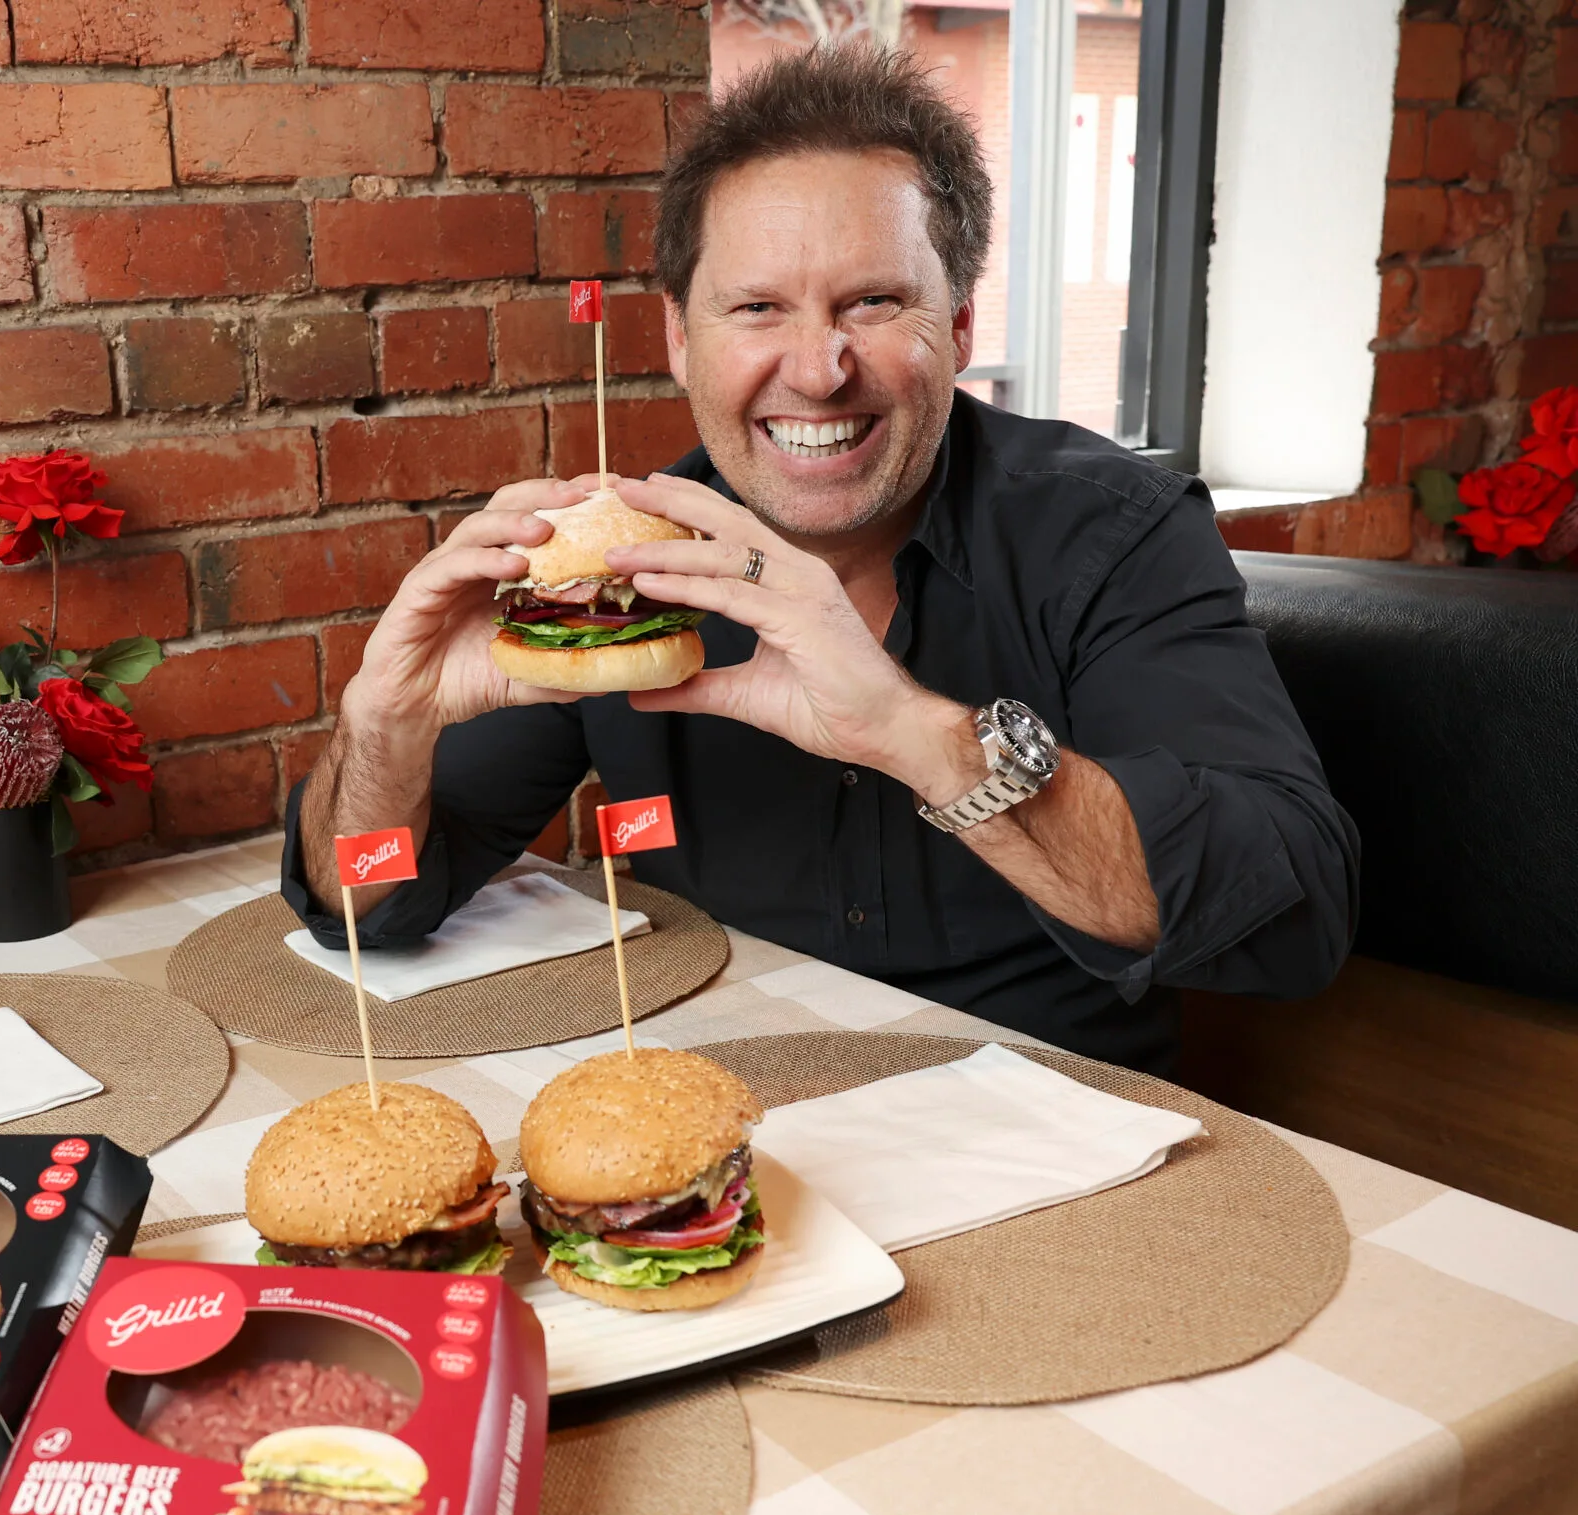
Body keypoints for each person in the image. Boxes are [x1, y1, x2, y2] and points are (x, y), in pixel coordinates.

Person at [283, 43, 1358, 1073]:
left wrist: (912, 733)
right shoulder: (614, 575)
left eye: (874, 303)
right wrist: (384, 725)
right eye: (756, 308)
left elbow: (1292, 916)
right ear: (676, 340)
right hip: (726, 1116)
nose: (817, 368)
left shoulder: (1113, 532)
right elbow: (374, 906)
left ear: (960, 321)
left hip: (1056, 1142)